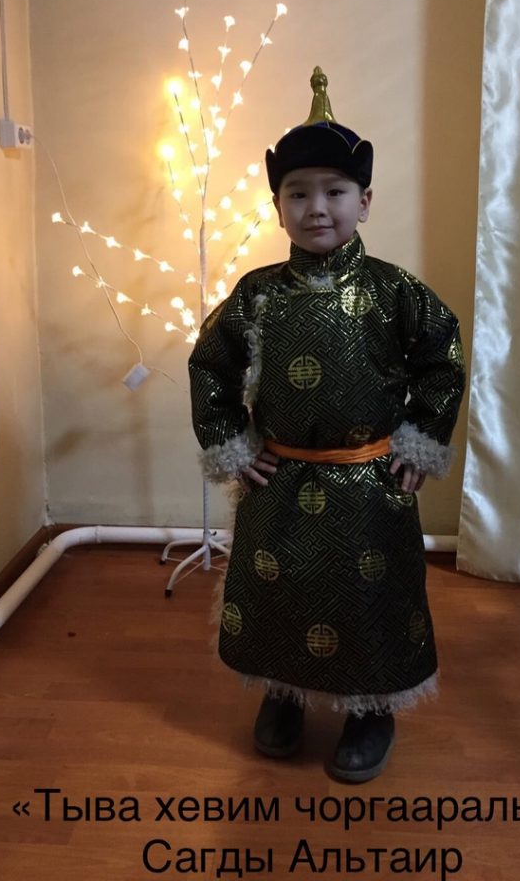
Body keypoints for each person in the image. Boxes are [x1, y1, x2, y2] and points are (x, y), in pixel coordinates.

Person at [188, 67, 465, 782]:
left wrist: (421, 440)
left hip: (370, 482)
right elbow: (210, 367)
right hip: (279, 479)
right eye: (298, 193)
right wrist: (231, 444)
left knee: (370, 596)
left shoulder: (396, 292)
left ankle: (371, 709)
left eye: (335, 192)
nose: (317, 208)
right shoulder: (254, 295)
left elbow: (442, 360)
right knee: (278, 588)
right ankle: (282, 692)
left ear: (364, 202)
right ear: (278, 206)